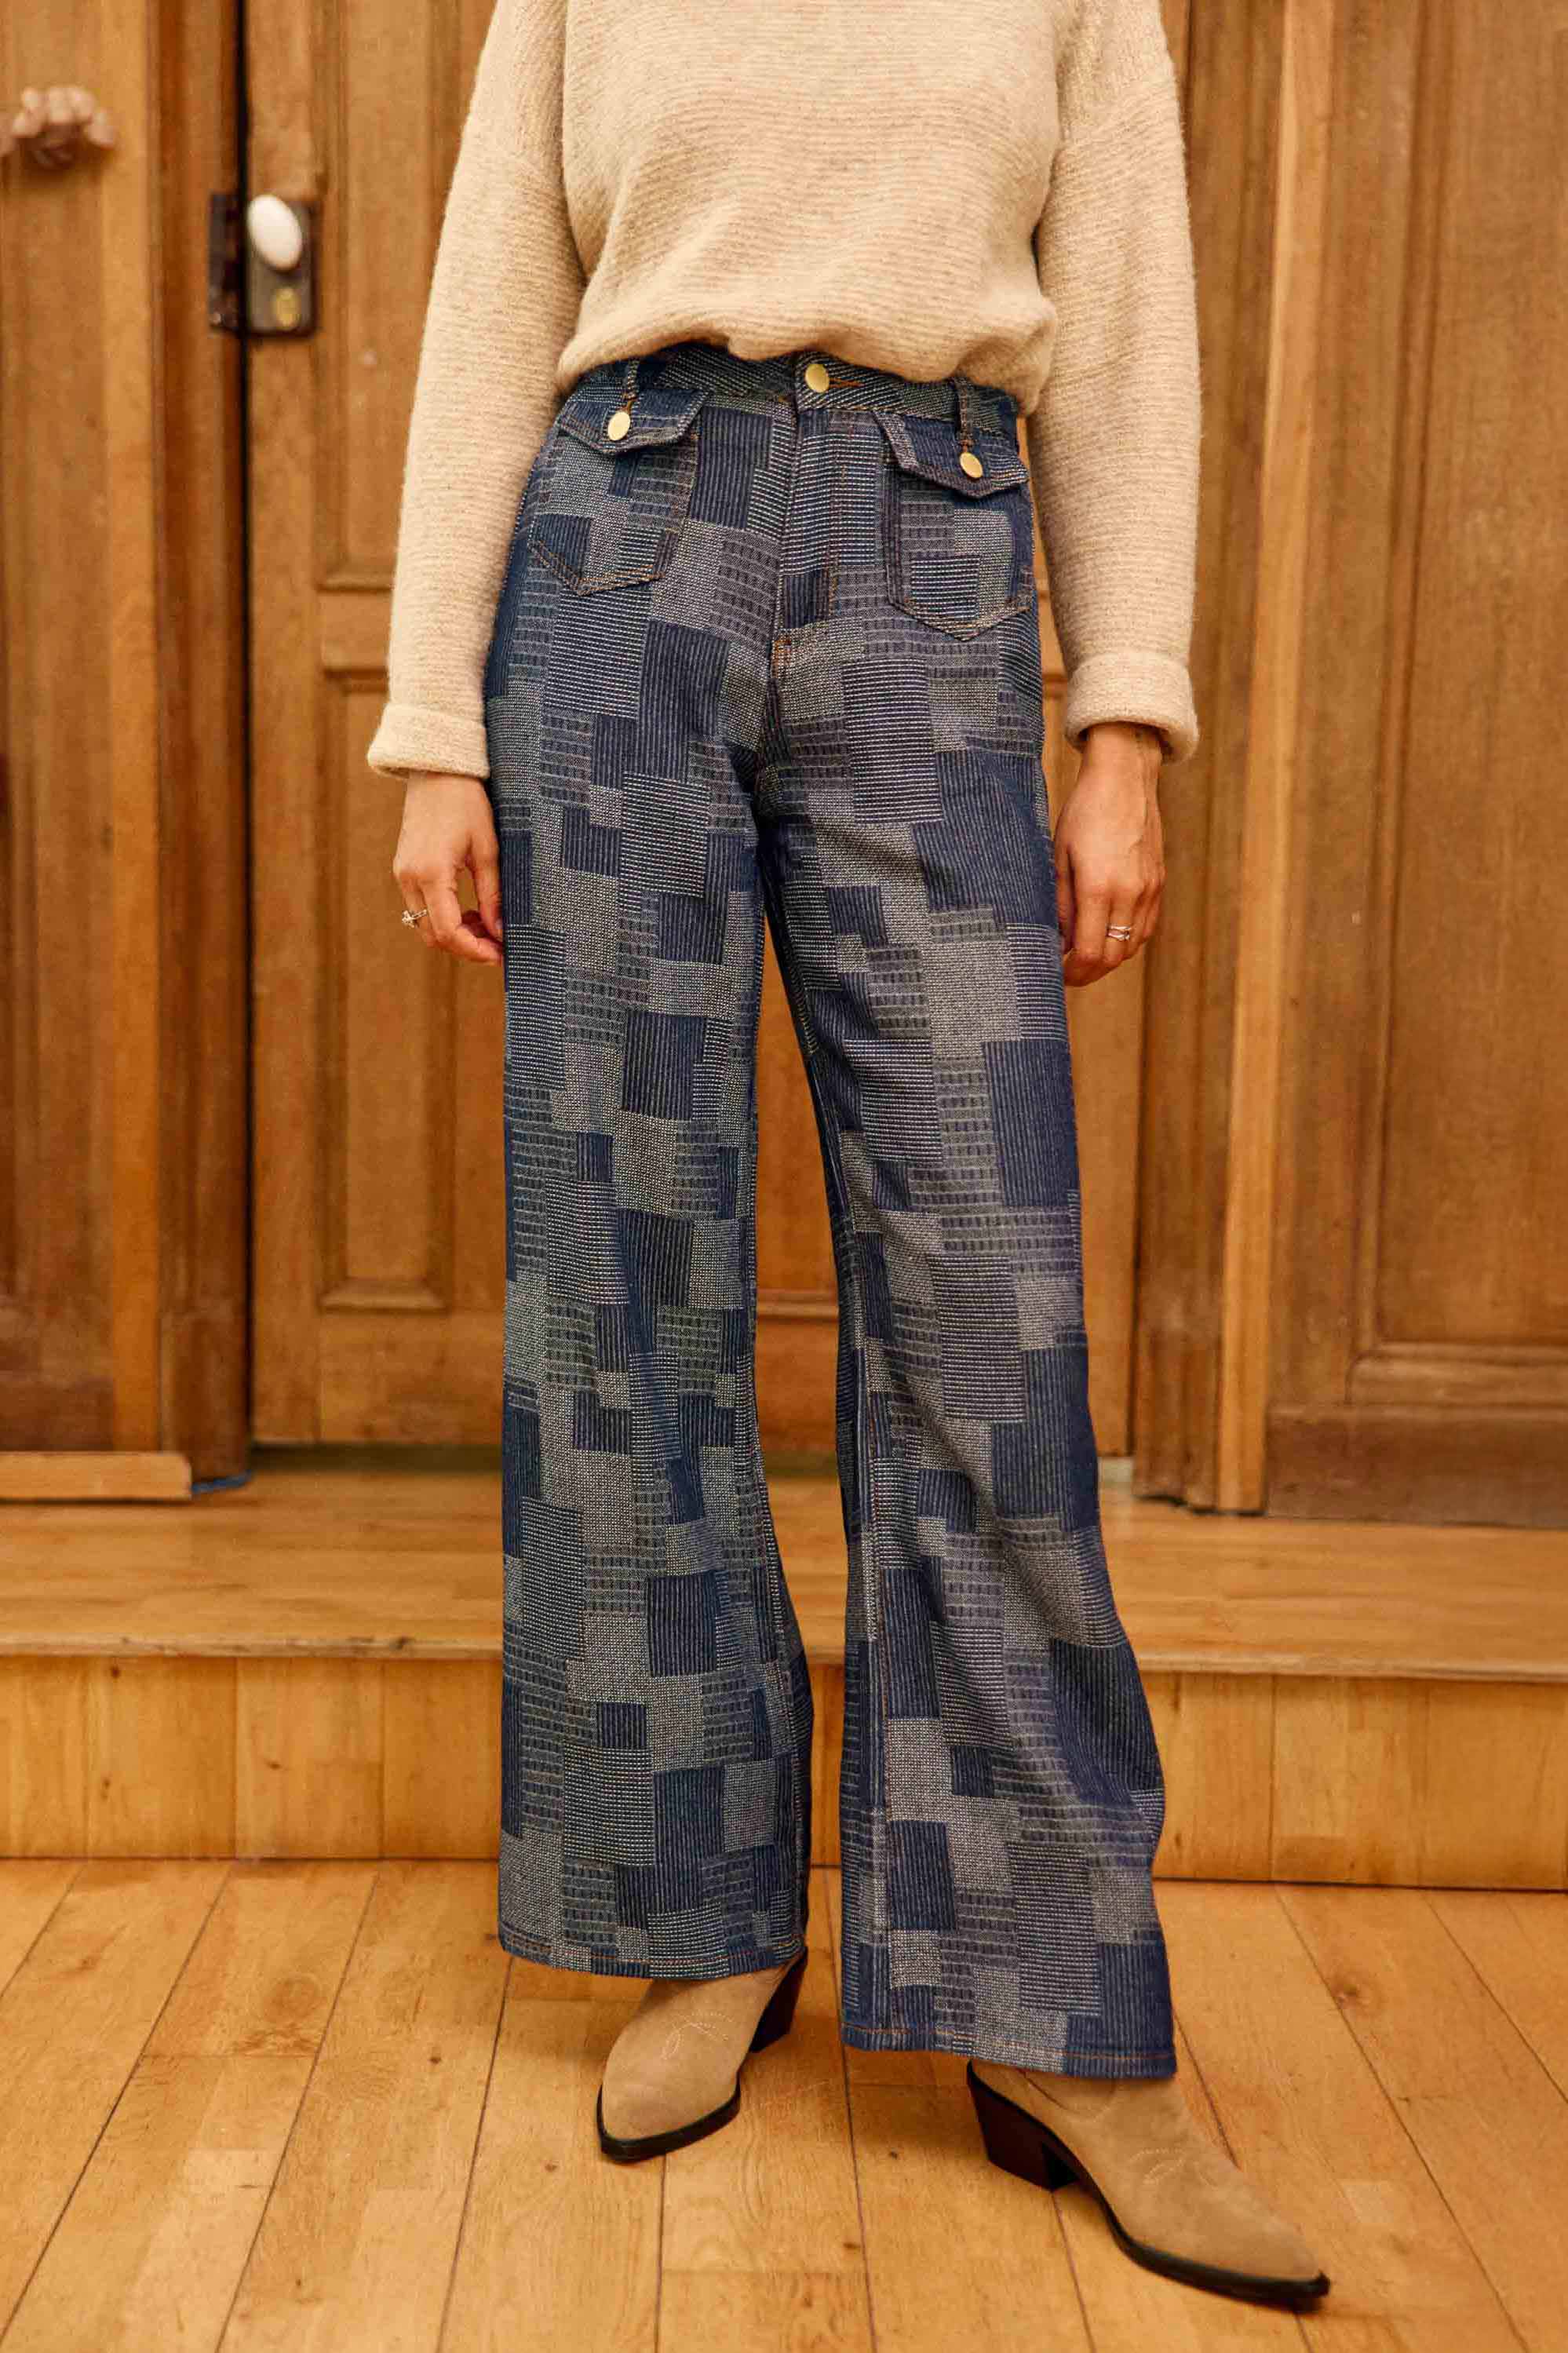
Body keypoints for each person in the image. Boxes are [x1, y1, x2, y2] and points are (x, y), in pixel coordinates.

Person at [366, 0, 1330, 2312]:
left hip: (935, 570)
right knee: (624, 1285)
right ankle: (697, 1922)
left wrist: (1126, 720)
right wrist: (435, 723)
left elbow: (1125, 325)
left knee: (989, 1311)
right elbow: (496, 289)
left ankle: (1059, 2016)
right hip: (614, 574)